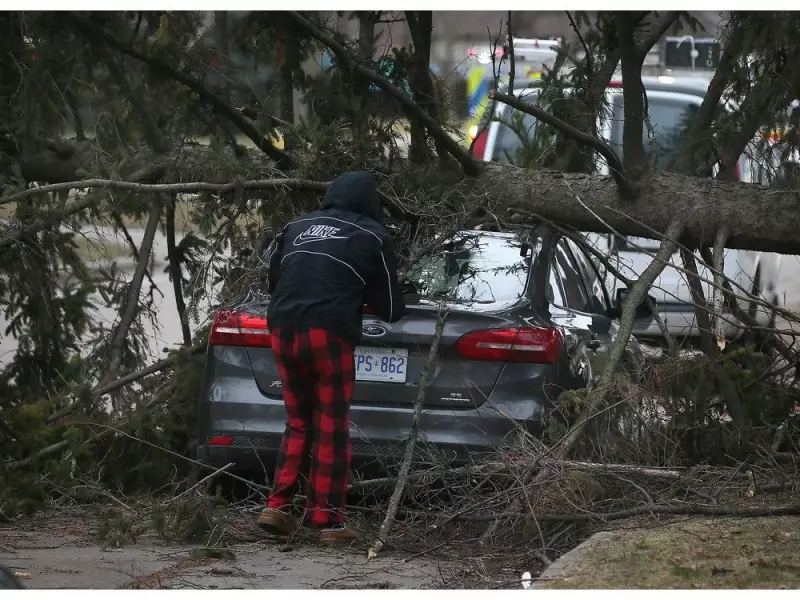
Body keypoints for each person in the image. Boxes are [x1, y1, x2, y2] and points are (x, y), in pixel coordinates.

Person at [257, 171, 405, 543]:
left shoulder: (295, 227)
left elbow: (274, 281)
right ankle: (327, 521)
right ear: (372, 202)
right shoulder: (373, 236)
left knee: (298, 421)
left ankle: (277, 507)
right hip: (327, 333)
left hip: (282, 327)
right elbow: (390, 307)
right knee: (331, 426)